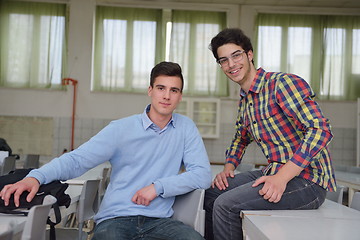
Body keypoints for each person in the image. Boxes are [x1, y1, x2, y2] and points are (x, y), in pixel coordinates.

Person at [0, 61, 212, 240]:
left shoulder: (185, 128)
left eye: (173, 90)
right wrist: (36, 177)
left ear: (180, 96)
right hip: (116, 219)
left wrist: (158, 187)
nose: (167, 95)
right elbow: (77, 160)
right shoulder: (121, 129)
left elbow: (202, 175)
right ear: (150, 91)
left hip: (161, 222)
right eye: (161, 88)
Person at [204, 28, 336, 240]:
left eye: (236, 55)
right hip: (274, 171)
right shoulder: (246, 100)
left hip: (309, 181)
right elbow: (241, 137)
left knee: (225, 205)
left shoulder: (281, 84)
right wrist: (228, 169)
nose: (231, 64)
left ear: (249, 54)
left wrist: (281, 178)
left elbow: (320, 130)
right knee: (210, 194)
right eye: (223, 60)